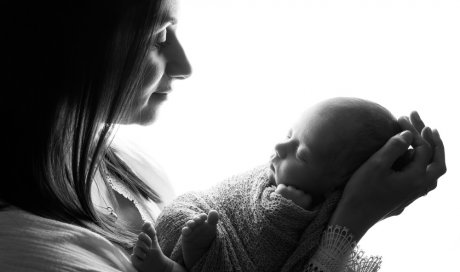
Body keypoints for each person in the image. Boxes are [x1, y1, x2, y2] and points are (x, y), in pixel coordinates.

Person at [0, 0, 446, 271]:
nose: (184, 64)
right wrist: (349, 222)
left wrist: (346, 181)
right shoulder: (35, 255)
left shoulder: (123, 165)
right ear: (69, 43)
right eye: (159, 34)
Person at [130, 97, 412, 271]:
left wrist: (286, 214)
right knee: (191, 218)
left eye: (301, 153)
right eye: (290, 134)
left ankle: (174, 266)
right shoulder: (267, 178)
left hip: (223, 248)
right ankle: (197, 253)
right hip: (206, 212)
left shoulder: (313, 215)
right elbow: (233, 197)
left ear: (334, 187)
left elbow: (272, 253)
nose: (279, 146)